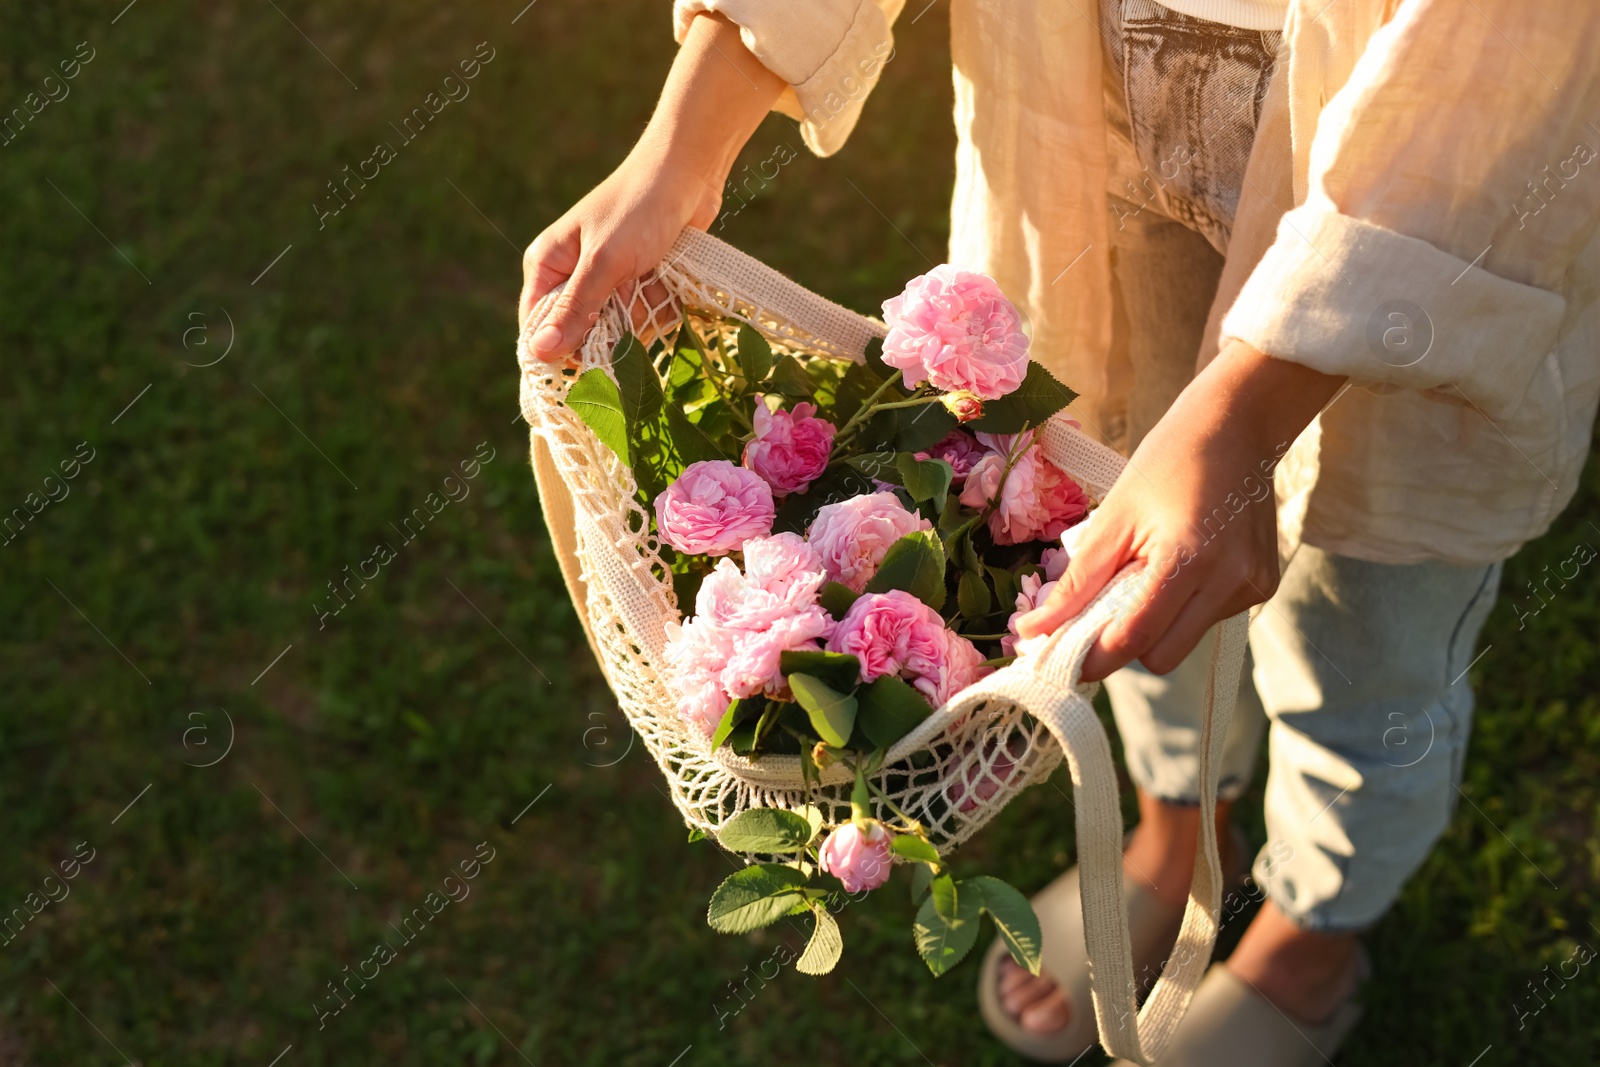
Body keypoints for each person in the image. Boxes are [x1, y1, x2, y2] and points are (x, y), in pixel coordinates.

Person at [521, 2, 1600, 1063]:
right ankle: (1179, 827)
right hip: (1090, 127)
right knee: (1107, 575)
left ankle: (1311, 933)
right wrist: (687, 139)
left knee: (1366, 647)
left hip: (1410, 183)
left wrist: (1250, 407)